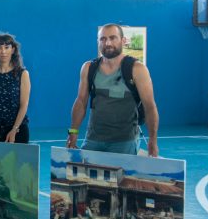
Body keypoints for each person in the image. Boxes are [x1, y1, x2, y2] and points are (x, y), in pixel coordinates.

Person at [68, 23, 159, 156]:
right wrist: (73, 132)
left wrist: (152, 141)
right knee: (84, 176)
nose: (107, 43)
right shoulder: (88, 68)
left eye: (112, 38)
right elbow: (81, 102)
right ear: (98, 42)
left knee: (122, 178)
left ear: (123, 41)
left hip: (124, 142)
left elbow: (150, 107)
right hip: (93, 140)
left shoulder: (137, 69)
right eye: (103, 39)